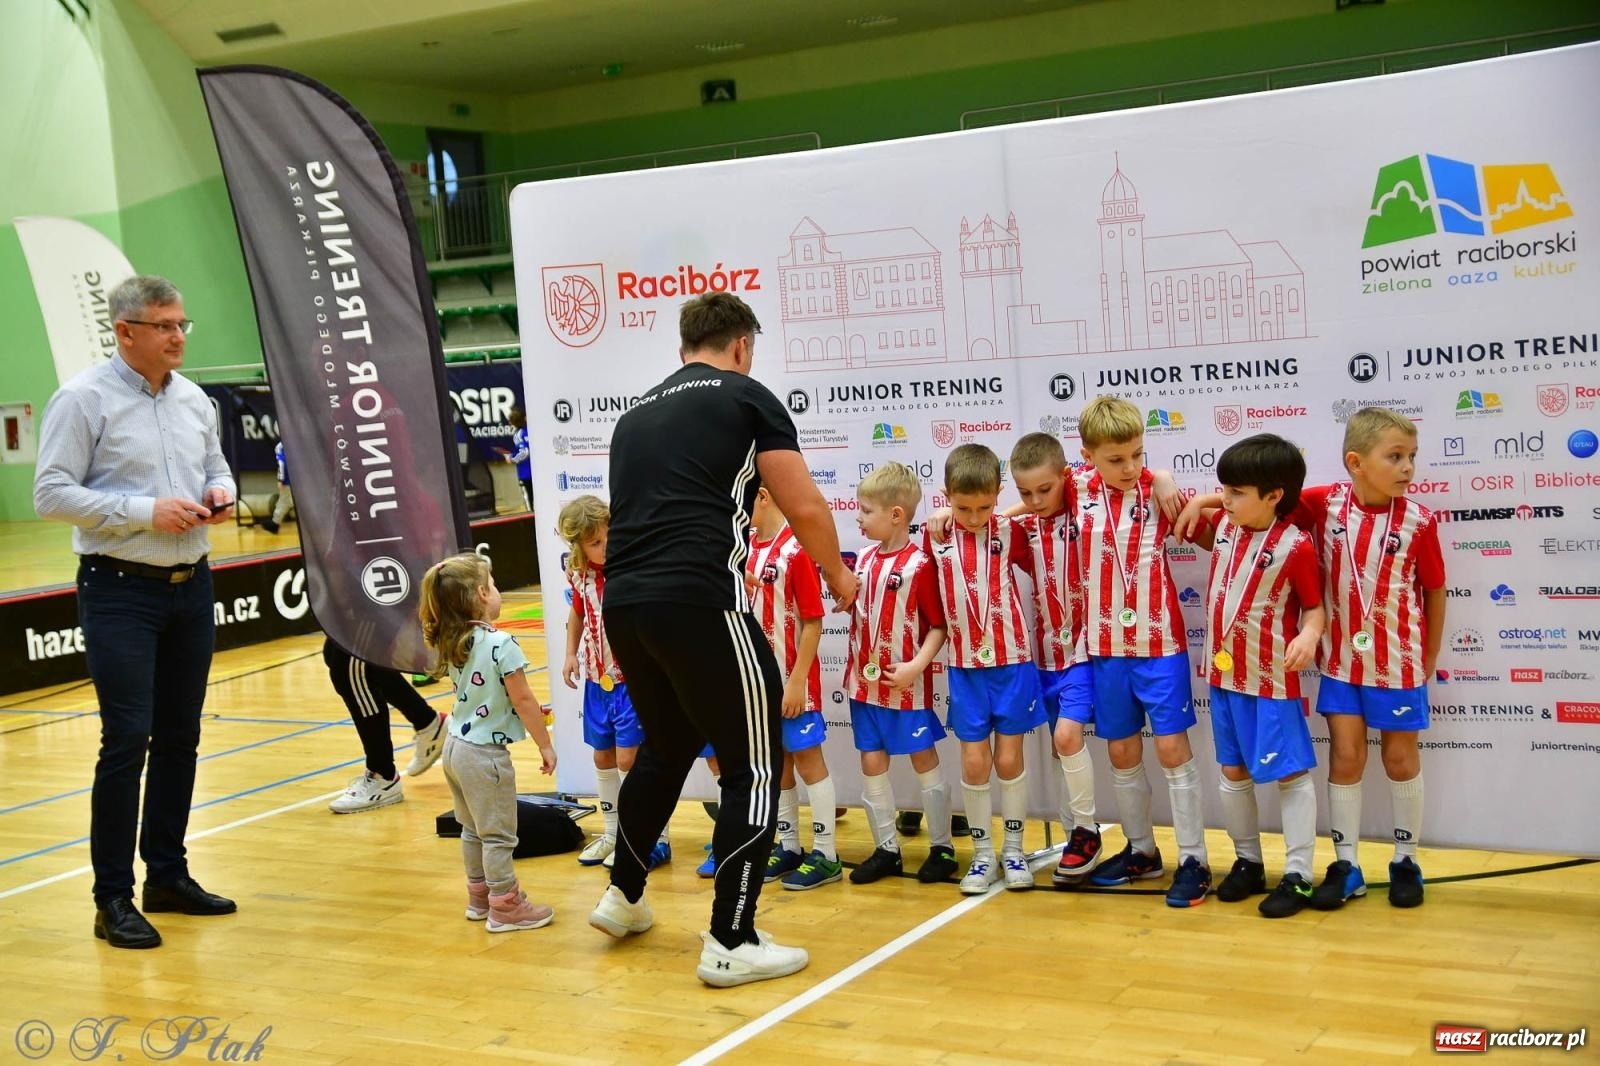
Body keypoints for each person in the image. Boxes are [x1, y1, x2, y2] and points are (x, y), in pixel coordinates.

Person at [587, 292, 857, 989]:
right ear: (741, 346)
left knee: (668, 746)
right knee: (755, 767)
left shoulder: (634, 414)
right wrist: (839, 579)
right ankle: (731, 937)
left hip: (626, 604)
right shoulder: (746, 396)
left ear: (686, 348)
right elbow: (803, 505)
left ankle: (623, 896)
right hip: (701, 600)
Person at [34, 274, 238, 949]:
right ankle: (111, 898)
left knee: (181, 736)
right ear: (126, 332)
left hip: (192, 582)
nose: (179, 336)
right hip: (119, 587)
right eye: (165, 326)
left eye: (183, 324)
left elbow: (219, 466)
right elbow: (51, 493)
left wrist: (219, 489)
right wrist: (141, 512)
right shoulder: (83, 399)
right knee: (127, 740)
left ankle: (167, 875)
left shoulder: (194, 400)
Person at [1186, 407, 1444, 909]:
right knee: (1346, 756)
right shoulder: (1324, 504)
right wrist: (1204, 496)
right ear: (1356, 462)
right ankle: (1345, 864)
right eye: (1396, 456)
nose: (1408, 467)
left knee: (1399, 757)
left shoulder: (1420, 521)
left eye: (1411, 456)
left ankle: (1406, 858)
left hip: (1399, 662)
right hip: (1342, 663)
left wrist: (1428, 655)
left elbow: (1434, 588)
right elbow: (1263, 491)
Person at [1072, 396, 1211, 907]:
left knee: (1173, 750)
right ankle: (1142, 852)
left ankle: (1194, 858)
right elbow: (1034, 498)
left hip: (1160, 645)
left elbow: (1222, 531)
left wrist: (1180, 486)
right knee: (1122, 750)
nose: (1129, 467)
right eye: (1115, 459)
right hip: (1105, 646)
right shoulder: (1075, 490)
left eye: (1137, 454)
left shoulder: (1158, 489)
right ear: (1087, 455)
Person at [1183, 435, 1326, 918]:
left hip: (1270, 679)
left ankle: (1300, 873)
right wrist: (1208, 499)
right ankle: (1247, 861)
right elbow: (1188, 512)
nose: (1226, 499)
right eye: (1224, 489)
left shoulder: (1296, 547)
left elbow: (1314, 608)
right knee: (1232, 769)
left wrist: (1309, 635)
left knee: (1288, 772)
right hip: (1224, 678)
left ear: (1274, 495)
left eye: (1237, 491)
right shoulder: (1223, 525)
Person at [925, 443, 1044, 894]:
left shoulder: (1012, 533)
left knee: (1009, 758)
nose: (973, 517)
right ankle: (981, 856)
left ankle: (1014, 851)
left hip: (1012, 664)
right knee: (975, 762)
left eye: (984, 507)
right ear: (947, 496)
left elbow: (1055, 501)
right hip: (965, 668)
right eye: (961, 507)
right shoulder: (934, 536)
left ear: (998, 496)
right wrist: (940, 513)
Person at [419, 552, 558, 932]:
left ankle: (479, 898)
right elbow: (523, 699)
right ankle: (506, 906)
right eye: (494, 586)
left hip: (455, 748)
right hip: (484, 758)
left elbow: (485, 694)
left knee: (471, 829)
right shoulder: (502, 642)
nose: (498, 592)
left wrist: (516, 709)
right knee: (498, 834)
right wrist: (545, 744)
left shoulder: (455, 639)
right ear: (482, 594)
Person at [845, 462, 955, 886]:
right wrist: (845, 599)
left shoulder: (920, 565)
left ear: (896, 514)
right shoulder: (866, 558)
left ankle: (942, 846)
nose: (858, 517)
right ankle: (886, 848)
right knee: (871, 760)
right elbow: (860, 604)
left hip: (905, 688)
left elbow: (938, 625)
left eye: (865, 509)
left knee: (923, 758)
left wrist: (915, 667)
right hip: (863, 685)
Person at [1006, 433, 1105, 887]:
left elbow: (1127, 474)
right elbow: (983, 523)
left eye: (1044, 490)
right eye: (1025, 493)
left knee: (1068, 738)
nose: (1035, 500)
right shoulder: (1025, 529)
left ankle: (1087, 831)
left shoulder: (1090, 505)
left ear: (1066, 477)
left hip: (1085, 650)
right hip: (1043, 655)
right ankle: (1073, 835)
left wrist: (1162, 479)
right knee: (1060, 745)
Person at [557, 495, 669, 870]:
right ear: (577, 546)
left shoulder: (632, 567)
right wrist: (570, 653)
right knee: (602, 756)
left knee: (631, 760)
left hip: (633, 681)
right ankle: (611, 832)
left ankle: (653, 838)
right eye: (595, 544)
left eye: (608, 539)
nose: (605, 548)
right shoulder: (577, 573)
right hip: (596, 680)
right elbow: (577, 614)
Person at [745, 487, 841, 891]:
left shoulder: (796, 550)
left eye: (741, 501)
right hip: (758, 683)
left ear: (764, 496)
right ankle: (788, 845)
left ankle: (827, 853)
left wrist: (798, 680)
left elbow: (813, 620)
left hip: (793, 682)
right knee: (777, 764)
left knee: (807, 759)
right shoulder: (745, 547)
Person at [322, 636, 448, 814]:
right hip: (364, 608)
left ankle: (382, 774)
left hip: (371, 608)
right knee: (337, 653)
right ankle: (428, 722)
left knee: (349, 668)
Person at [258, 438, 292, 534]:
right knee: (285, 502)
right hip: (299, 479)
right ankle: (275, 523)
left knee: (284, 502)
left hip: (288, 481)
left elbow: (281, 463)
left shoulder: (280, 446)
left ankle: (275, 523)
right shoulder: (294, 441)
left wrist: (281, 479)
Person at [505, 406, 532, 512]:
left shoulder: (519, 434)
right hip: (537, 474)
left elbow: (525, 451)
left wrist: (511, 458)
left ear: (511, 423)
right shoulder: (532, 430)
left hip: (525, 475)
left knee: (529, 503)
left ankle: (531, 522)